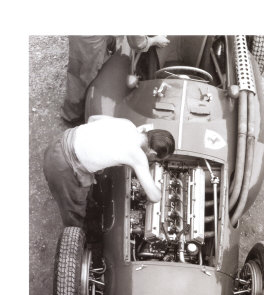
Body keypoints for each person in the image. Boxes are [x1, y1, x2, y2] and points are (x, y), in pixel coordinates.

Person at [43, 115, 175, 228]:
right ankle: (78, 242)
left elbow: (92, 118)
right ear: (152, 153)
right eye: (157, 159)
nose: (155, 161)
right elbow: (155, 197)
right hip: (61, 166)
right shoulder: (137, 155)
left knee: (83, 192)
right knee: (74, 211)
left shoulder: (128, 124)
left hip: (60, 140)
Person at [61, 35, 170, 124]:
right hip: (89, 37)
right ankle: (72, 115)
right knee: (83, 72)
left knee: (99, 58)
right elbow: (137, 43)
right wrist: (154, 40)